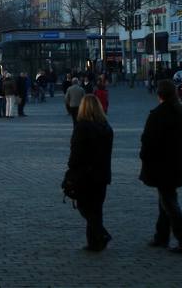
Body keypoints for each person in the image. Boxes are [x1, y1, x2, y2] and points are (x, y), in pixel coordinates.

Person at [139, 79, 182, 254]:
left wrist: (144, 159)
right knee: (165, 199)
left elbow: (147, 142)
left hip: (161, 166)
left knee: (169, 202)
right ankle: (161, 236)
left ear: (159, 95)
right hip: (177, 165)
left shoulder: (157, 115)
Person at [67, 94, 113, 251]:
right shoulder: (106, 127)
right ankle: (94, 242)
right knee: (96, 208)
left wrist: (71, 168)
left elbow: (76, 153)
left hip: (85, 174)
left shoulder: (82, 127)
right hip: (102, 173)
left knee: (84, 206)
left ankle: (100, 234)